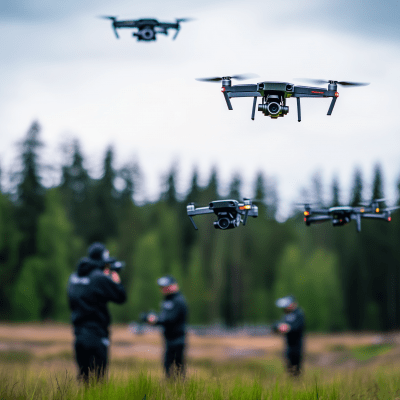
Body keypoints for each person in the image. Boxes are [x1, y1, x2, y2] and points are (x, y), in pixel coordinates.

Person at [67, 242, 127, 383]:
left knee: (84, 378)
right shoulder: (99, 278)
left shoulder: (74, 277)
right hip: (97, 334)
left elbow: (73, 301)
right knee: (98, 381)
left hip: (79, 334)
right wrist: (115, 279)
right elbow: (120, 297)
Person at [145, 275, 188, 378]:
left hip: (178, 340)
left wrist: (155, 320)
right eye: (162, 287)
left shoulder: (179, 300)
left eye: (166, 286)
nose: (163, 289)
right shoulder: (167, 300)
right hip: (168, 339)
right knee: (167, 368)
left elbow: (170, 319)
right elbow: (165, 317)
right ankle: (170, 390)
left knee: (178, 369)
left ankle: (180, 391)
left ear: (174, 286)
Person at [273, 295, 305, 376]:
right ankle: (291, 384)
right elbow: (275, 325)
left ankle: (297, 384)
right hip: (288, 346)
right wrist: (279, 327)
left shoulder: (299, 314)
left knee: (296, 369)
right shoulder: (286, 315)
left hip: (297, 346)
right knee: (289, 368)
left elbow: (298, 326)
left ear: (293, 304)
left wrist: (288, 328)